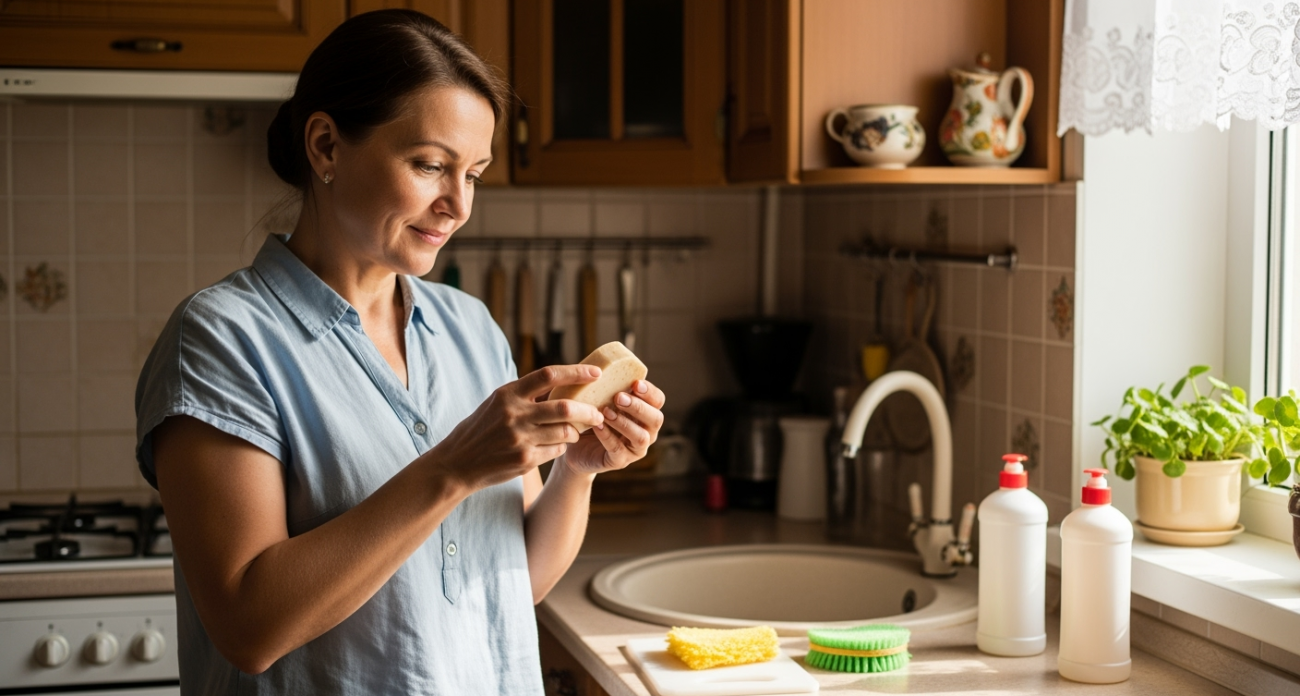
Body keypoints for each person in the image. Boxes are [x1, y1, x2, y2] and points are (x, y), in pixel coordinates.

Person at [134, 10, 664, 695]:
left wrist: (579, 473)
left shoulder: (470, 329)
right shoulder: (221, 340)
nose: (457, 205)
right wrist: (451, 468)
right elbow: (248, 628)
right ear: (325, 147)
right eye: (430, 165)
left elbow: (512, 580)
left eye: (473, 173)